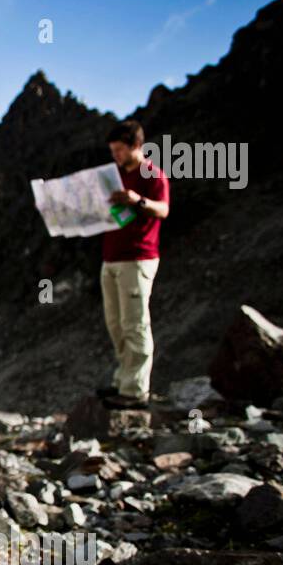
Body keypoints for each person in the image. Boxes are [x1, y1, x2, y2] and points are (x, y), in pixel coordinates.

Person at [99, 119, 169, 408]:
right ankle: (122, 379)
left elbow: (163, 210)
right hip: (111, 257)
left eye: (119, 150)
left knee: (135, 323)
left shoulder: (152, 175)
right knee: (116, 323)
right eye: (112, 150)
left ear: (136, 146)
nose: (115, 155)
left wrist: (137, 201)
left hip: (137, 258)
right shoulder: (114, 176)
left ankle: (136, 390)